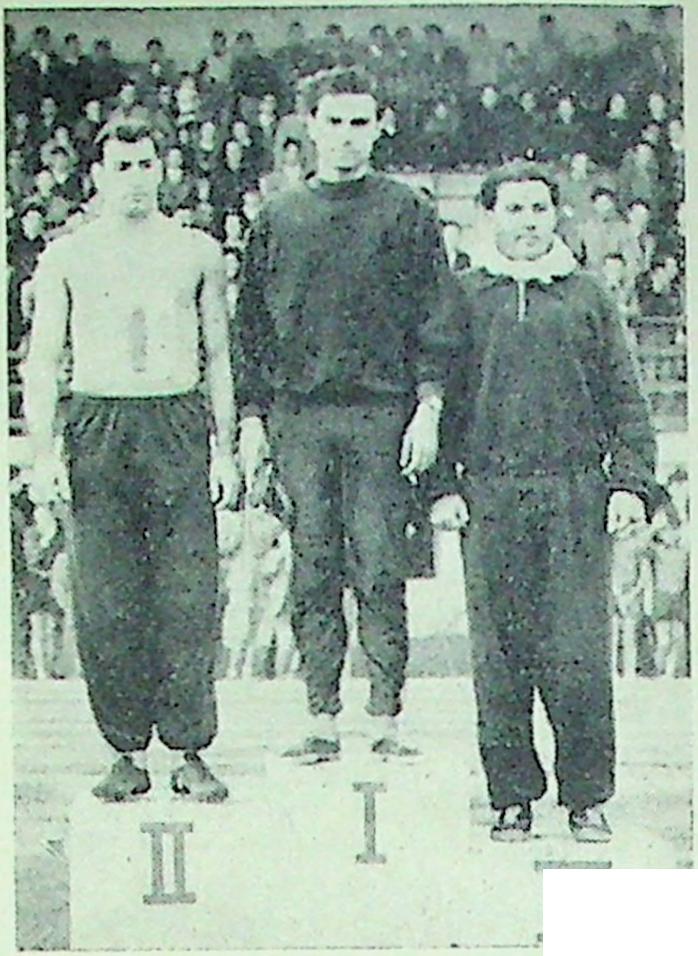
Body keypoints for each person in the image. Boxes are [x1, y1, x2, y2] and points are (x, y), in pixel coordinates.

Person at [426, 162, 677, 843]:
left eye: (539, 208)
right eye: (515, 209)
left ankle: (587, 797)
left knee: (577, 654)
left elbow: (625, 399)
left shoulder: (587, 296)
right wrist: (442, 486)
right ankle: (511, 796)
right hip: (490, 495)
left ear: (555, 216)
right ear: (490, 218)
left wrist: (629, 484)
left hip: (574, 494)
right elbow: (441, 398)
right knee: (500, 656)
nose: (529, 222)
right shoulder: (465, 295)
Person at [235, 67, 452, 763]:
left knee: (380, 566)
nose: (347, 136)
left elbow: (436, 315)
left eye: (361, 122)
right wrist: (251, 418)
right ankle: (321, 717)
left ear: (379, 126)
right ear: (311, 127)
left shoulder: (408, 211)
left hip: (382, 415)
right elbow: (251, 329)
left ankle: (385, 717)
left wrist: (429, 404)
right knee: (313, 568)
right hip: (301, 418)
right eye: (334, 122)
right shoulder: (279, 217)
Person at [23, 121, 238, 802]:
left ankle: (191, 747)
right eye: (122, 166)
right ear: (98, 175)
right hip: (99, 422)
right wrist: (43, 453)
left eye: (146, 164)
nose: (136, 178)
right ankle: (125, 749)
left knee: (187, 595)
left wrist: (225, 450)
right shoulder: (67, 256)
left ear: (162, 170)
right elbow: (43, 360)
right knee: (107, 599)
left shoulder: (196, 252)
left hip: (176, 421)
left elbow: (218, 356)